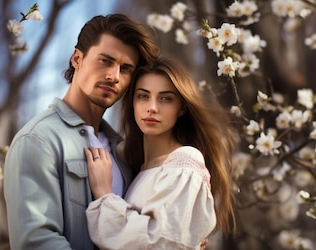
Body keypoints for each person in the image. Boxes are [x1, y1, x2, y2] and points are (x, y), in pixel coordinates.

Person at [3, 14, 159, 249]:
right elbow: (37, 242)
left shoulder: (124, 151)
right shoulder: (38, 140)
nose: (114, 76)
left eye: (125, 69)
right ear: (77, 58)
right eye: (105, 61)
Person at [83, 57, 236, 249]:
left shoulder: (185, 161)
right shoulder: (134, 166)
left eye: (165, 99)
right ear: (132, 103)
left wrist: (104, 194)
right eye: (143, 96)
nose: (152, 108)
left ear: (181, 108)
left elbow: (159, 243)